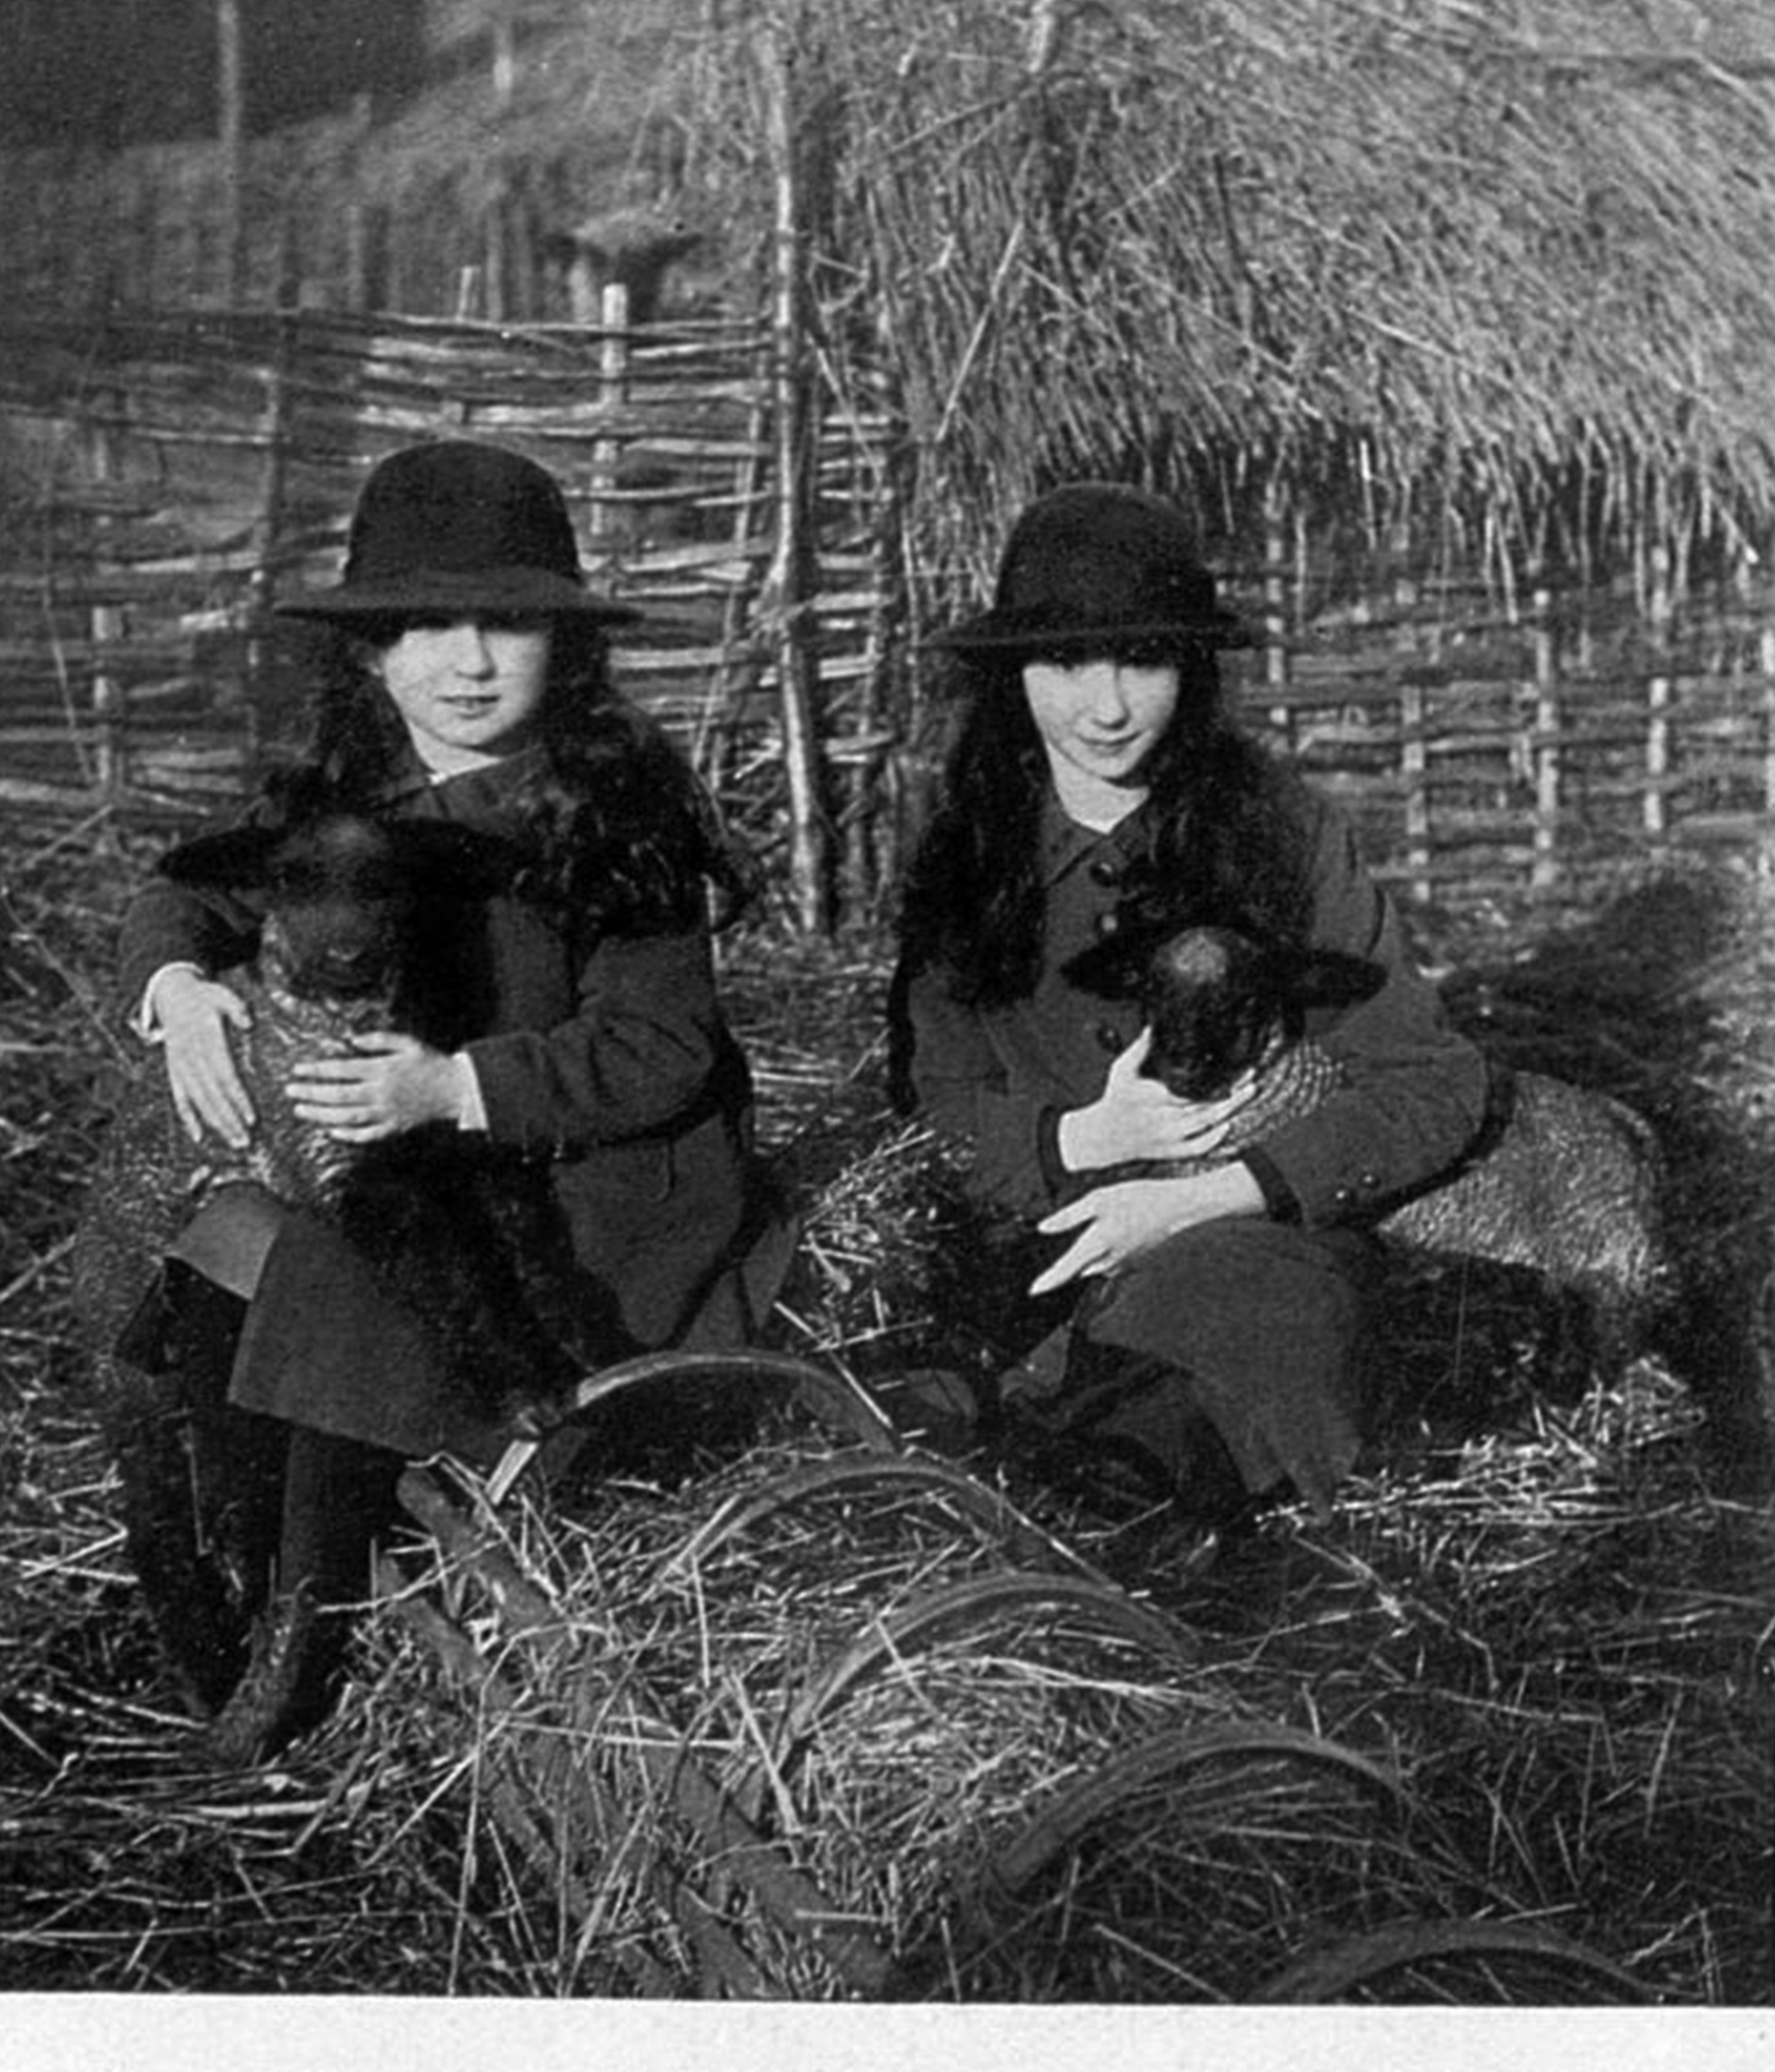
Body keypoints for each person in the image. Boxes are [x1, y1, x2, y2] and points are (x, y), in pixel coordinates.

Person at [112, 437, 789, 1760]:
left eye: (510, 624)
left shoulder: (616, 819)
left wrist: (454, 1084)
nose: (469, 661)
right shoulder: (347, 799)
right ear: (372, 652)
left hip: (588, 1207)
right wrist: (179, 986)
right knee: (214, 1254)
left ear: (565, 646)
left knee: (335, 1270)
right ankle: (235, 1581)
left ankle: (308, 1640)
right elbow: (182, 893)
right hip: (404, 1179)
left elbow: (664, 1048)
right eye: (428, 625)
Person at [891, 482, 1488, 1530]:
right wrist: (1080, 1138)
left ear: (1193, 670)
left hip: (1245, 1250)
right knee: (925, 1387)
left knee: (1250, 1323)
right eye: (1067, 663)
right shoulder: (966, 856)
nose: (1108, 707)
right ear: (1013, 675)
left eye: (1145, 661)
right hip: (1029, 1245)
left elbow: (1432, 1082)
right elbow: (930, 1103)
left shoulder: (1285, 836)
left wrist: (1217, 1193)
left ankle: (1128, 1496)